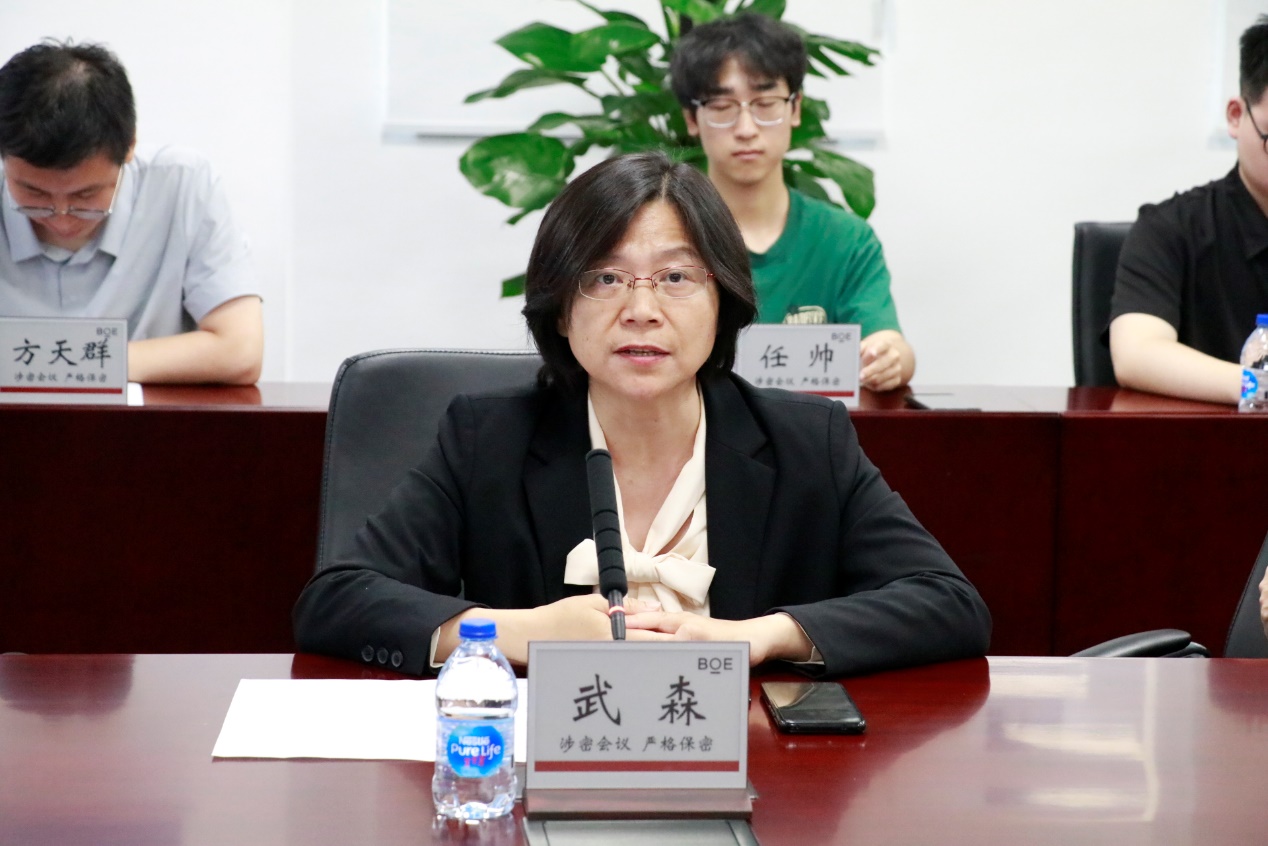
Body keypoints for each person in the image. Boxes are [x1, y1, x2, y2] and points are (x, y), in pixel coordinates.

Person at [293, 151, 990, 678]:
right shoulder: (489, 438)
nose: (641, 309)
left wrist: (762, 636)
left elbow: (947, 603)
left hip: (760, 777)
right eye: (605, 277)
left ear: (724, 302)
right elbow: (337, 601)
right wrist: (523, 633)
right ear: (559, 309)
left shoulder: (805, 441)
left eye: (676, 277)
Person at [668, 13, 915, 392]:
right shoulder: (665, 233)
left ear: (795, 108)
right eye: (721, 107)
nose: (746, 129)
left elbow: (887, 343)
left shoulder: (845, 240)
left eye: (766, 103)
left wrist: (890, 356)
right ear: (691, 118)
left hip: (810, 428)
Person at [0, 40, 262, 384]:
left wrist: (54, 366)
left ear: (129, 147)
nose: (61, 217)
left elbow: (240, 350)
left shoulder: (181, 184)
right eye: (34, 192)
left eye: (85, 195)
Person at [1108, 15, 1268, 404]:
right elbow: (1136, 355)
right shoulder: (1170, 230)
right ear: (1236, 116)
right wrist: (1258, 388)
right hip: (1205, 440)